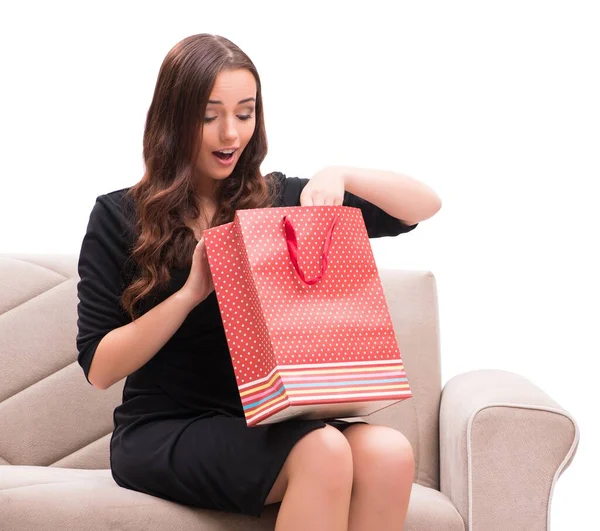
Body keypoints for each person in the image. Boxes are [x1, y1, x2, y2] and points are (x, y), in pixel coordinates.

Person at [76, 33, 430, 531]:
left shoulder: (278, 198)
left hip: (270, 418)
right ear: (172, 118)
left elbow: (422, 207)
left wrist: (341, 173)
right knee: (324, 449)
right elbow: (100, 367)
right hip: (163, 428)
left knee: (389, 452)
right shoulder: (118, 216)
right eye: (208, 115)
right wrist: (191, 292)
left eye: (244, 113)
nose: (230, 134)